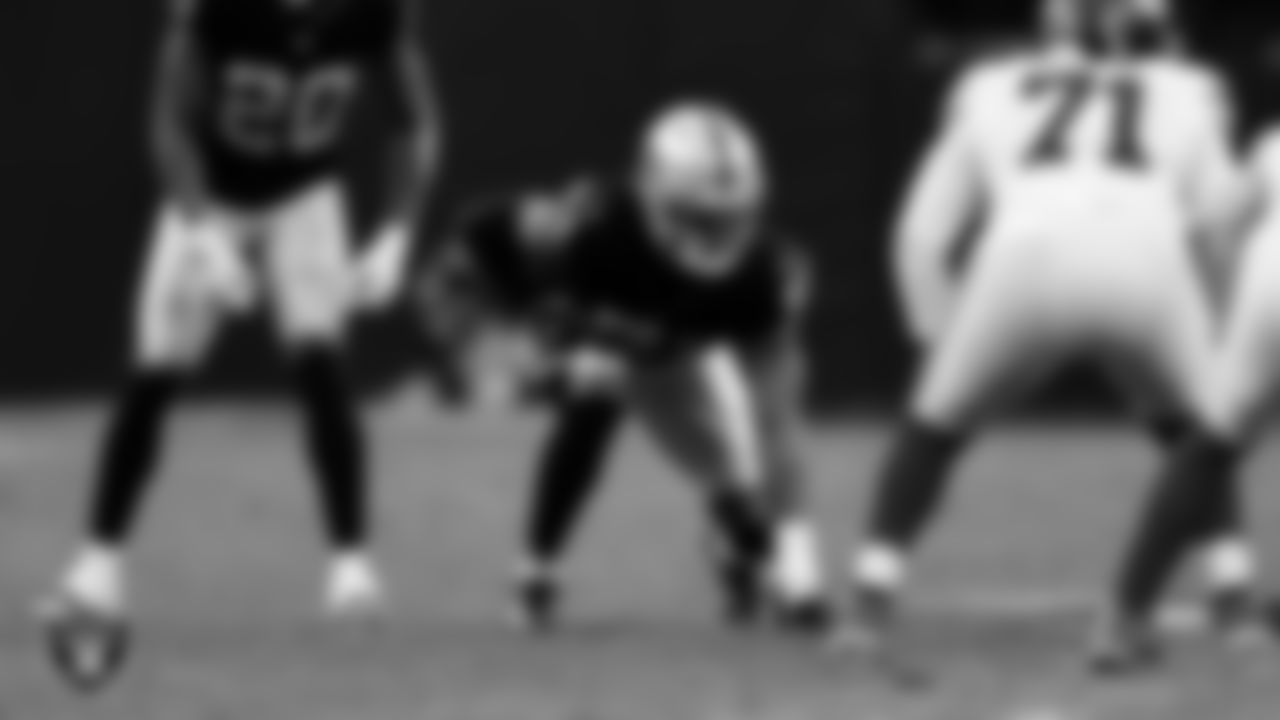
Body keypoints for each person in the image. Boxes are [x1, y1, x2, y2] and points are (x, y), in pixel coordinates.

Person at [836, 0, 1250, 668]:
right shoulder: (1191, 92)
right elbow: (1220, 222)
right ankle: (1235, 599)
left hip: (1023, 256)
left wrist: (931, 335)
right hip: (1148, 252)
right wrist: (1228, 329)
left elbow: (919, 234)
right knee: (1203, 433)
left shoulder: (987, 87)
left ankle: (869, 598)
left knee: (933, 428)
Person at [43, 0, 442, 691]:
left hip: (305, 193)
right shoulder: (217, 11)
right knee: (158, 370)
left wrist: (400, 231)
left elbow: (415, 119)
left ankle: (350, 563)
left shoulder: (374, 11)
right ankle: (98, 560)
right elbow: (170, 121)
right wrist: (200, 230)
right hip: (214, 191)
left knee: (321, 362)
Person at [416, 101, 828, 631]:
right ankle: (536, 573)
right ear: (651, 196)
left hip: (673, 357)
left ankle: (744, 555)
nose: (717, 236)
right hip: (590, 342)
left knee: (745, 503)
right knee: (599, 381)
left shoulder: (760, 276)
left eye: (729, 219)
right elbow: (480, 237)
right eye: (699, 218)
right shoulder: (589, 230)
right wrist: (463, 327)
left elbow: (779, 424)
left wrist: (804, 576)